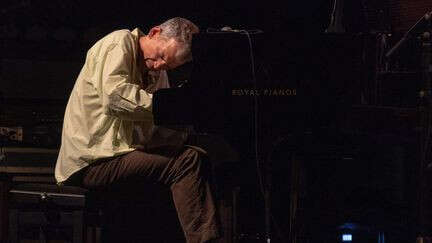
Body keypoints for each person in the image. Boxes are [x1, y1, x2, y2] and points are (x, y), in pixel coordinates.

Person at [54, 17, 220, 243]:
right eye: (162, 56)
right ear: (153, 33)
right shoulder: (118, 42)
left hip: (122, 155)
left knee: (197, 155)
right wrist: (167, 107)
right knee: (187, 161)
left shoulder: (156, 72)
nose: (161, 66)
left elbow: (150, 131)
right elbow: (114, 99)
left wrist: (191, 138)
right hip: (93, 161)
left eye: (169, 66)